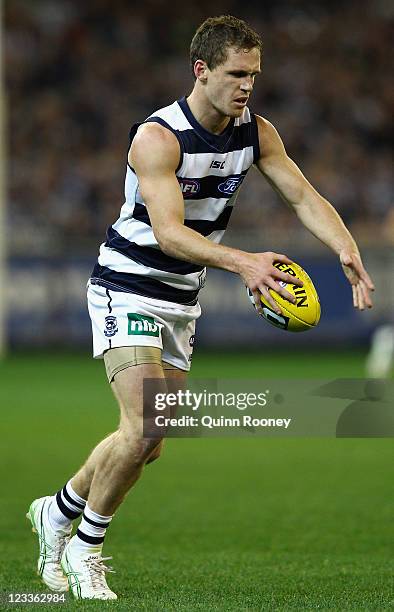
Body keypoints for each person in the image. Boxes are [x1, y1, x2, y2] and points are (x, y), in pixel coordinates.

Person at [27, 15, 375, 600]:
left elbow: (302, 195)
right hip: (127, 284)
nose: (246, 87)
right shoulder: (158, 138)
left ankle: (57, 512)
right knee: (141, 426)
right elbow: (168, 232)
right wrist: (244, 263)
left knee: (151, 441)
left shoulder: (256, 132)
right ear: (202, 70)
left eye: (255, 76)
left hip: (182, 299)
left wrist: (346, 248)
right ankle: (87, 547)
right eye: (236, 74)